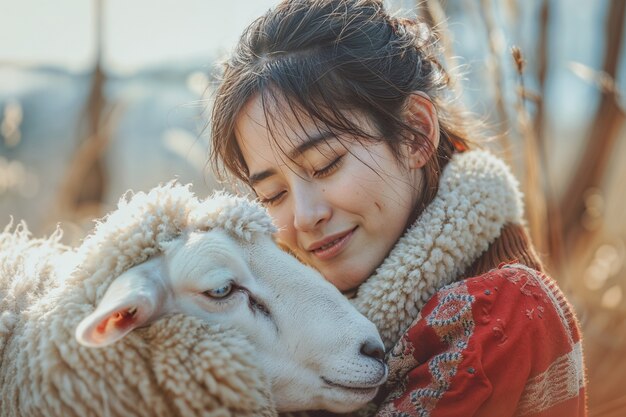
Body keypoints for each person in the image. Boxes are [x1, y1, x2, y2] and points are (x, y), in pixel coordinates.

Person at [209, 0, 587, 415]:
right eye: (273, 196)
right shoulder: (270, 318)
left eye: (326, 165)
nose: (303, 216)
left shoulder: (501, 314)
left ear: (415, 135)